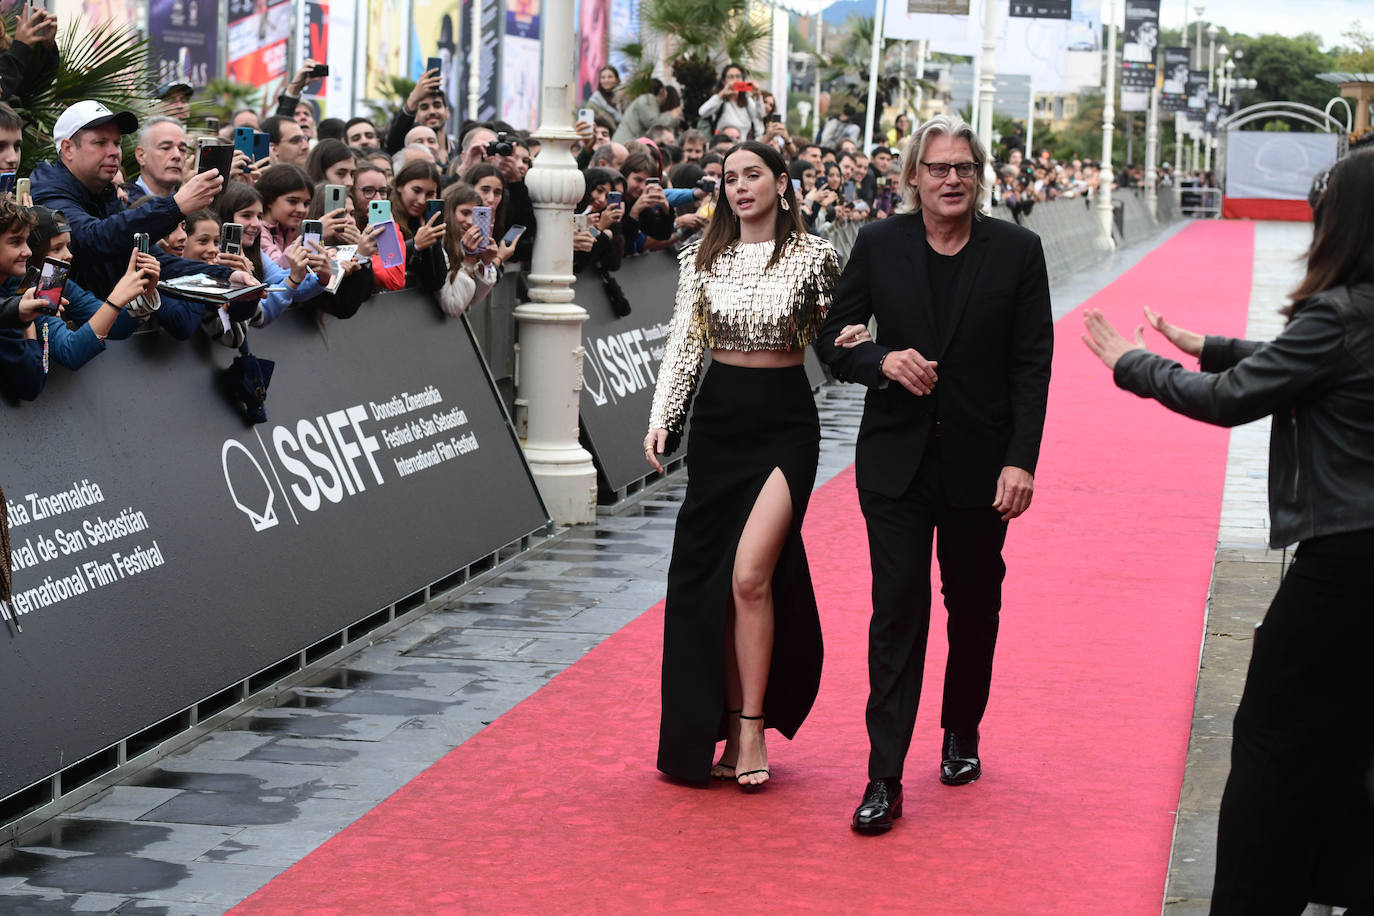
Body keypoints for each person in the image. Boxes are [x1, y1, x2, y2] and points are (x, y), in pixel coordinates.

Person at [1080, 149, 1374, 915]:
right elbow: (1302, 367)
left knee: (1274, 737)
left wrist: (1132, 364)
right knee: (1348, 731)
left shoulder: (1338, 314)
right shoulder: (1353, 318)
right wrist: (1206, 344)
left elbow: (1233, 400)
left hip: (1347, 557)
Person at [815, 114, 1053, 833]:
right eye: (938, 168)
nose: (952, 179)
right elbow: (831, 339)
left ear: (978, 177)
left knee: (973, 604)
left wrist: (1021, 460)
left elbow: (1031, 366)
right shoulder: (879, 243)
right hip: (895, 463)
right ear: (912, 178)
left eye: (964, 168)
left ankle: (961, 730)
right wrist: (879, 360)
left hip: (982, 468)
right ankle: (883, 776)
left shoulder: (1017, 250)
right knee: (897, 612)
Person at [645, 140, 842, 788]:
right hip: (720, 422)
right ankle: (726, 726)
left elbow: (839, 342)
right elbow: (683, 344)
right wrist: (663, 417)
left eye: (753, 174)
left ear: (782, 183)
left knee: (752, 575)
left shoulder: (815, 257)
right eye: (729, 177)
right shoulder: (703, 258)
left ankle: (754, 726)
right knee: (715, 587)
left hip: (786, 423)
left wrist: (884, 355)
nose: (739, 186)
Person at [30, 101, 246, 303]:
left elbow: (154, 259)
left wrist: (229, 276)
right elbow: (91, 239)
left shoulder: (106, 193)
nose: (114, 152)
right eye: (100, 143)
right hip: (66, 331)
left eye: (117, 143)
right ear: (68, 149)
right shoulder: (49, 192)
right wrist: (175, 206)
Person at [697, 63, 764, 142]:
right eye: (731, 77)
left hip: (742, 146)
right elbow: (702, 112)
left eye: (738, 76)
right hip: (722, 145)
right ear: (724, 81)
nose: (735, 80)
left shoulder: (747, 101)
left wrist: (758, 96)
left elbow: (760, 115)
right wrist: (722, 94)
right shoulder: (720, 101)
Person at [129, 116, 188, 198]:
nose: (177, 155)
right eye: (166, 148)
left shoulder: (196, 208)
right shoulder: (120, 203)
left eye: (182, 149)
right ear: (141, 156)